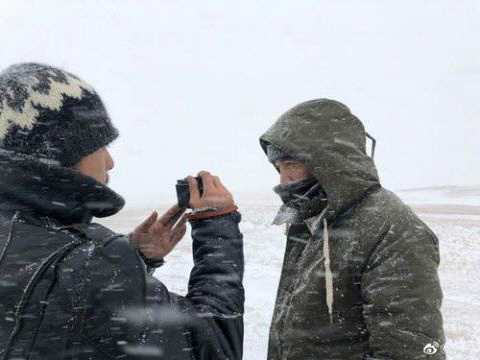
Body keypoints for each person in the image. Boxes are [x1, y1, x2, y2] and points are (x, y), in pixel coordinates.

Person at [0, 63, 244, 360]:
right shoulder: (93, 269)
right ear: (61, 151)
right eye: (100, 145)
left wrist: (136, 257)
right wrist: (217, 228)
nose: (111, 162)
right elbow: (213, 345)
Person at [260, 98, 445, 359]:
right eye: (279, 168)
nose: (283, 180)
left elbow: (409, 350)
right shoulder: (314, 219)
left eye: (291, 165)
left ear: (328, 161)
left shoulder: (392, 228)